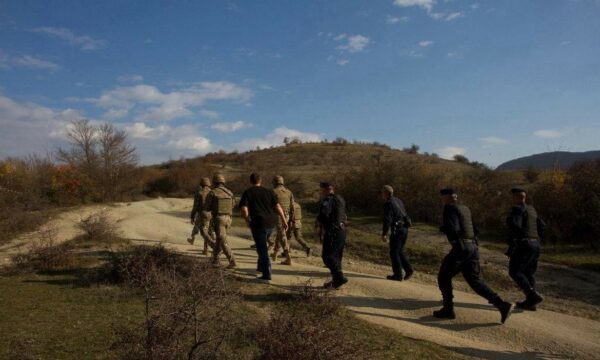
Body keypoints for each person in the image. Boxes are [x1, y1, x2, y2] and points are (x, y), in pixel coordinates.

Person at [435, 188, 512, 323]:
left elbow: (453, 228)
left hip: (461, 248)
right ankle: (501, 304)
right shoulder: (465, 208)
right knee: (474, 280)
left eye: (442, 198)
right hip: (473, 247)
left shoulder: (449, 208)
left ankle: (448, 309)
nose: (441, 200)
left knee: (444, 276)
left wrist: (446, 231)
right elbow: (474, 229)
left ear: (446, 198)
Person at [239, 173, 289, 281]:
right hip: (271, 223)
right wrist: (284, 221)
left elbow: (244, 209)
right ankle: (261, 267)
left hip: (258, 223)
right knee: (262, 245)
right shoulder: (269, 192)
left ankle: (267, 275)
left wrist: (247, 219)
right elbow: (278, 207)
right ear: (260, 181)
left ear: (250, 181)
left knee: (262, 249)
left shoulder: (248, 192)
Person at [506, 188, 545, 311]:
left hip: (524, 245)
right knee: (529, 273)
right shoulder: (532, 210)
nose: (512, 199)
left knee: (514, 271)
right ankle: (530, 303)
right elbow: (542, 226)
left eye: (512, 197)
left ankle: (532, 295)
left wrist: (517, 240)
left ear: (516, 197)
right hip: (535, 244)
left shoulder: (517, 209)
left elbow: (514, 226)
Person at [317, 182, 348, 289]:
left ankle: (339, 277)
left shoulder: (327, 200)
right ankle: (336, 282)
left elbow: (324, 214)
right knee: (336, 257)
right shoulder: (340, 199)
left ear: (325, 189)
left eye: (321, 189)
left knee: (327, 256)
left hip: (332, 231)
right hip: (342, 230)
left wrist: (319, 219)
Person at [381, 185, 414, 281]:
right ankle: (408, 269)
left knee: (393, 252)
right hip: (404, 228)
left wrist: (384, 233)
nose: (381, 195)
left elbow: (387, 219)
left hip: (397, 230)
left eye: (382, 192)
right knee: (399, 250)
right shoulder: (398, 200)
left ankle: (398, 274)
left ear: (385, 193)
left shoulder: (388, 204)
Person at [204, 174, 237, 269]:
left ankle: (232, 260)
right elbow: (233, 205)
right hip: (229, 219)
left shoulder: (213, 193)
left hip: (219, 219)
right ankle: (215, 260)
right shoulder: (230, 193)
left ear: (214, 182)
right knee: (219, 239)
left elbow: (207, 208)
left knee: (223, 240)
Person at [188, 177, 216, 254]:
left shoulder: (199, 193)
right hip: (212, 214)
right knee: (209, 232)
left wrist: (192, 216)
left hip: (202, 214)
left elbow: (195, 206)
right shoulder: (213, 192)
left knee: (204, 232)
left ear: (201, 184)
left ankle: (212, 247)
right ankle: (206, 249)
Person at [271, 175, 294, 265]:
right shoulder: (289, 192)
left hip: (277, 215)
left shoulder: (273, 192)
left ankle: (288, 256)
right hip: (287, 216)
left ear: (274, 182)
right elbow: (292, 207)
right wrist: (291, 219)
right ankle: (275, 253)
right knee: (280, 233)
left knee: (282, 234)